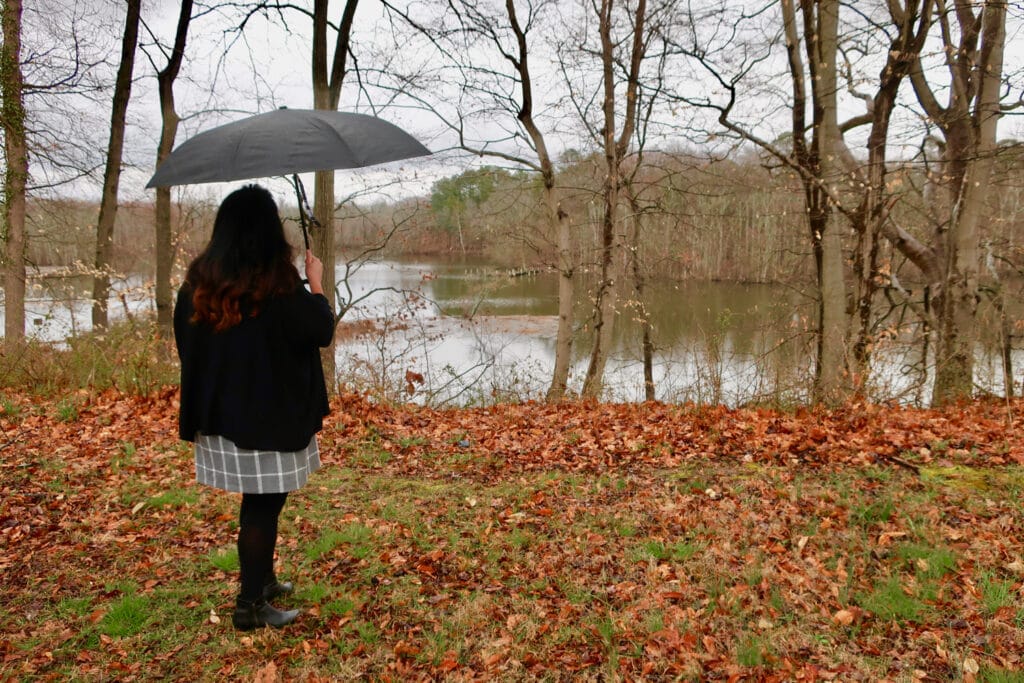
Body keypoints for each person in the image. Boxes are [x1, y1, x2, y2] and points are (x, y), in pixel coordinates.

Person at [174, 184, 334, 630]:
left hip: (223, 418)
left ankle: (262, 581)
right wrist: (316, 283)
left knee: (263, 502)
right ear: (268, 231)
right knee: (263, 505)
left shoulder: (197, 284)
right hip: (269, 419)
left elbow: (188, 347)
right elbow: (320, 329)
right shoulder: (277, 285)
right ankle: (250, 606)